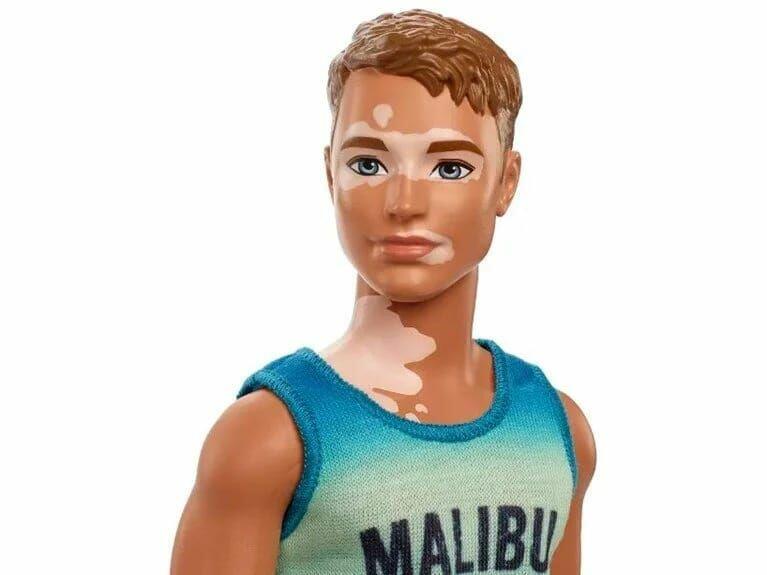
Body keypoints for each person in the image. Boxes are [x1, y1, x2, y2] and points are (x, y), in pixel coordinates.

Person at [171, 9, 596, 575]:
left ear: (506, 182)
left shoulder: (557, 432)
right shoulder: (271, 439)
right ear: (331, 176)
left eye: (450, 168)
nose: (404, 203)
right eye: (369, 163)